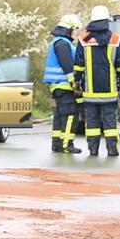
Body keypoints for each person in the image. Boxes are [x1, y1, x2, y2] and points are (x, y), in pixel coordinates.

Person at [74, 5, 120, 156]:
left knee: (91, 122)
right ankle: (112, 149)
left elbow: (78, 66)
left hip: (90, 92)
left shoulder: (83, 40)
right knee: (110, 122)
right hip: (109, 92)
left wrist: (76, 83)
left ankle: (93, 150)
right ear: (107, 21)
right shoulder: (115, 39)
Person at [43, 14, 83, 153]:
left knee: (60, 115)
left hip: (58, 86)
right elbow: (68, 65)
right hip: (65, 86)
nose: (76, 33)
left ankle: (57, 144)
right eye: (75, 30)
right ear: (69, 29)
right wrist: (75, 84)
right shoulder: (63, 44)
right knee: (71, 114)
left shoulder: (58, 42)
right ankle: (67, 144)